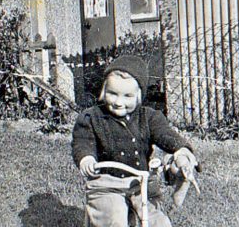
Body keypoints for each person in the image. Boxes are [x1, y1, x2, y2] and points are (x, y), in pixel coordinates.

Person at [71, 55, 197, 227]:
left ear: (139, 95)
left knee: (159, 222)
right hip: (106, 183)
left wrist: (180, 149)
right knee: (114, 218)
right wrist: (86, 158)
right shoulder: (92, 118)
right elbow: (82, 142)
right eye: (112, 93)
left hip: (141, 184)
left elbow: (165, 134)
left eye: (127, 96)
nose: (118, 102)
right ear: (103, 90)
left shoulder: (149, 118)